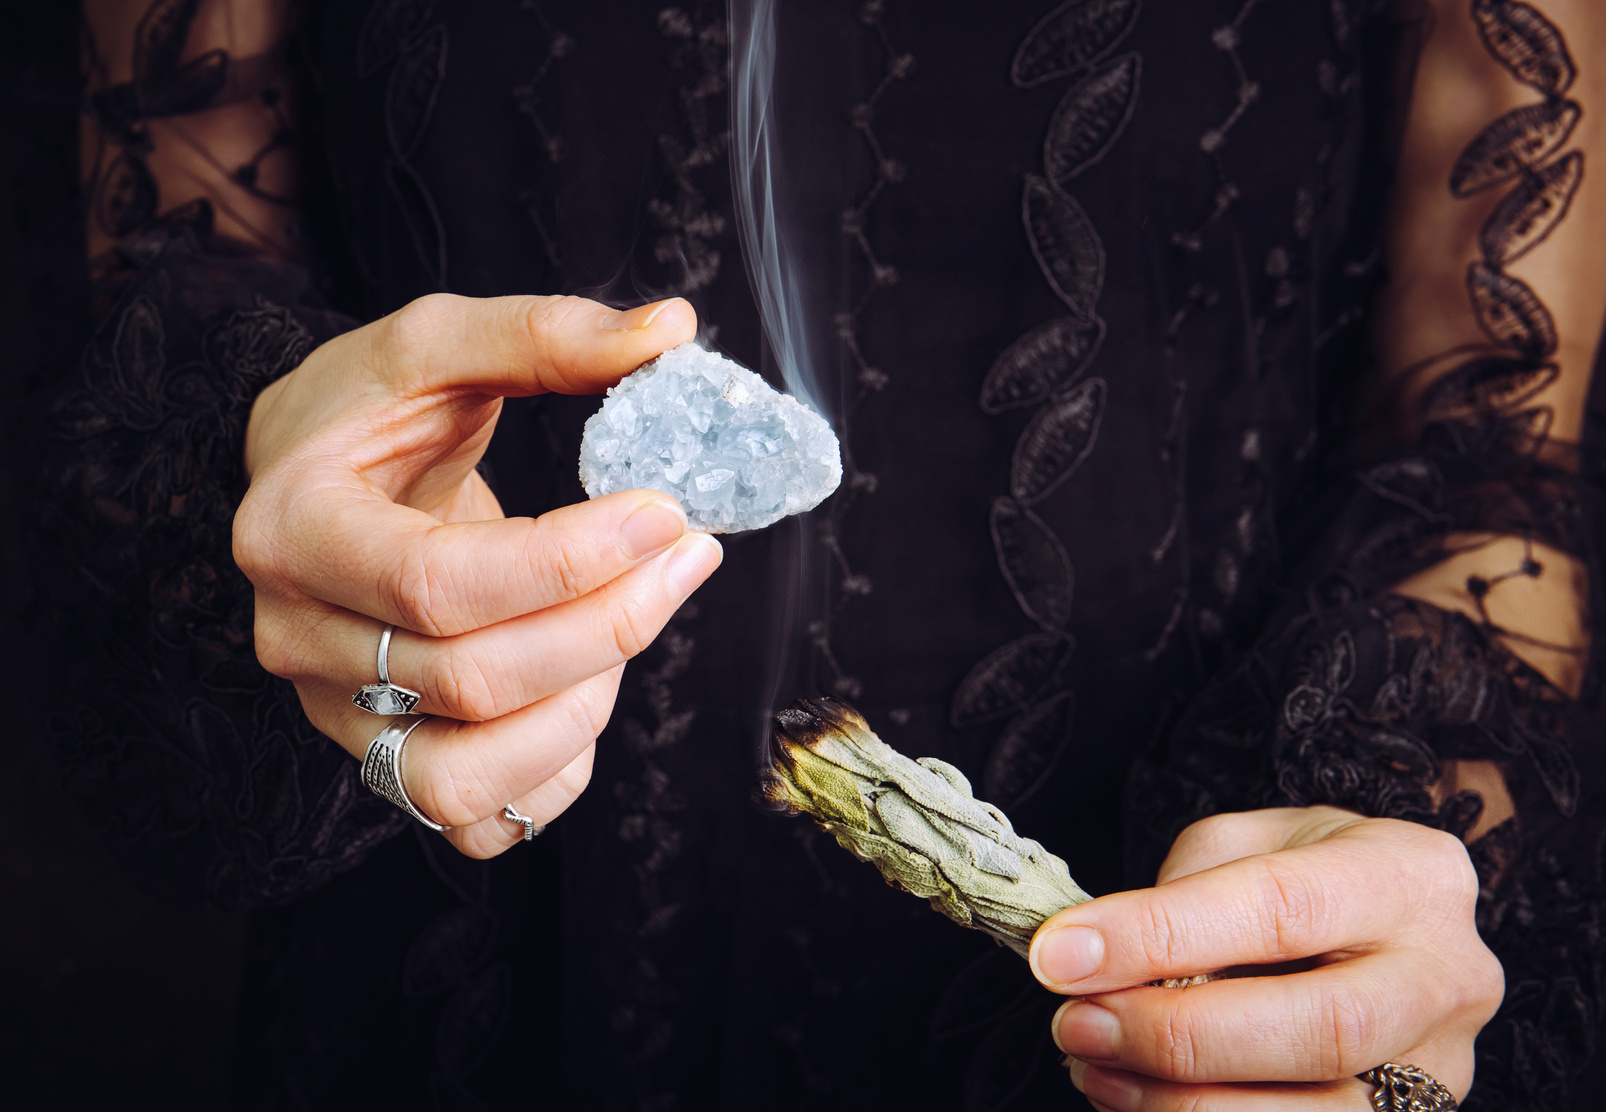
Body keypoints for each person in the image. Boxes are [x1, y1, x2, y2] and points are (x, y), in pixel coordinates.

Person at [14, 0, 1606, 1107]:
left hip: (1165, 968)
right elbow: (171, 275)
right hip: (449, 932)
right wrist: (271, 463)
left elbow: (1488, 449)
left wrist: (1381, 894)